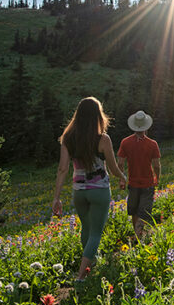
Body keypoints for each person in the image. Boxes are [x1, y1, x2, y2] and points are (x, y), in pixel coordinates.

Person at [51, 97, 126, 282]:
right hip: (99, 190)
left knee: (86, 228)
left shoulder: (68, 138)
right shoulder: (103, 139)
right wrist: (123, 177)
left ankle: (90, 263)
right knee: (96, 233)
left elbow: (62, 169)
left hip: (79, 192)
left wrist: (56, 198)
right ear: (97, 116)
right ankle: (81, 277)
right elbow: (113, 167)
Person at [117, 110, 161, 240]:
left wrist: (122, 179)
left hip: (132, 182)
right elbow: (157, 165)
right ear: (146, 126)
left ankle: (137, 234)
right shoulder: (152, 144)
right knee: (144, 211)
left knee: (134, 210)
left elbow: (120, 163)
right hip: (148, 182)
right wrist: (157, 178)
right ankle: (138, 234)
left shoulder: (125, 142)